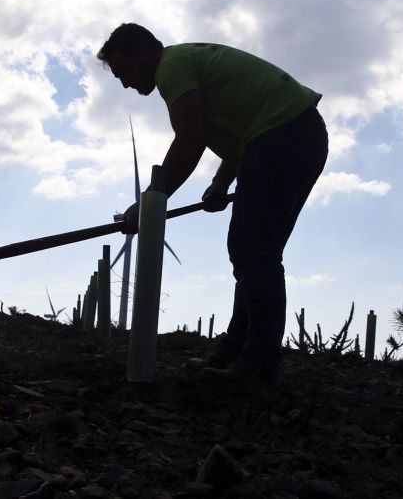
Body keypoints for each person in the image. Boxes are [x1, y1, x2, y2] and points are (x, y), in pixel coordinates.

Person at [97, 22, 328, 397]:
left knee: (252, 249)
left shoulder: (171, 67)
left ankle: (259, 367)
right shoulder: (188, 60)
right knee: (255, 252)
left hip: (284, 134)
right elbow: (242, 135)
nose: (125, 84)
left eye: (124, 71)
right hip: (297, 133)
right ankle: (233, 356)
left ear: (144, 52)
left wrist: (149, 204)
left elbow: (191, 140)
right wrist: (220, 184)